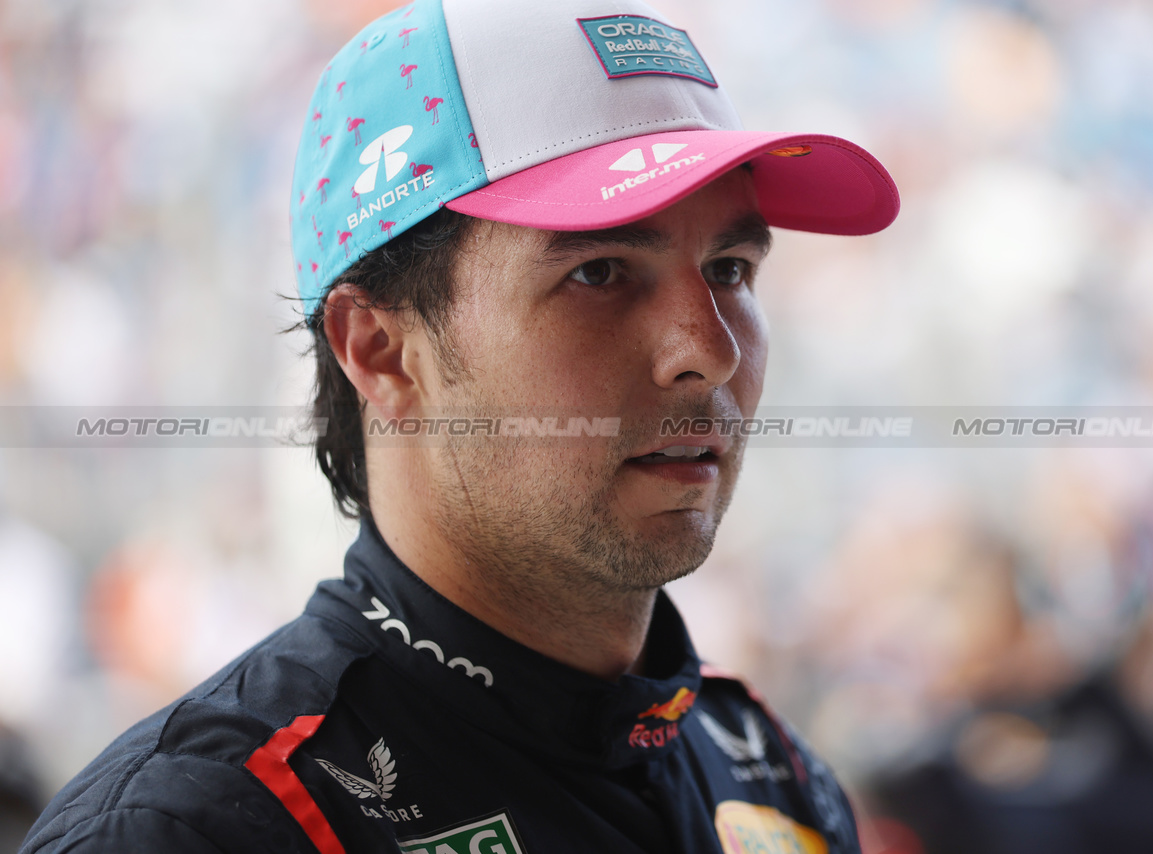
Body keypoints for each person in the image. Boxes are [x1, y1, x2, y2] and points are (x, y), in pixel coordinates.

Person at [21, 1, 897, 851]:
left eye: (731, 269)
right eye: (599, 272)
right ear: (383, 351)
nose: (707, 348)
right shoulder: (194, 826)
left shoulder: (772, 776)